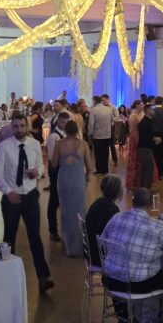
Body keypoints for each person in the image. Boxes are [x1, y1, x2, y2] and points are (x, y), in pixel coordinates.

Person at [99, 188, 163, 323]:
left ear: (132, 201)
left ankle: (123, 320)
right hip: (138, 284)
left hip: (110, 280)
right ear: (151, 205)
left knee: (119, 267)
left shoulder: (116, 217)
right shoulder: (156, 226)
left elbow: (103, 240)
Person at [0, 115, 53, 291]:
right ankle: (6, 276)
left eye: (22, 126)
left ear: (27, 127)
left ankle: (43, 277)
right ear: (11, 127)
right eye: (15, 126)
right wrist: (8, 191)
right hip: (12, 196)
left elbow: (41, 165)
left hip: (30, 196)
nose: (19, 129)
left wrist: (38, 171)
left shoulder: (34, 145)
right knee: (9, 237)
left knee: (35, 237)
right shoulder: (5, 146)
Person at [52, 120, 92, 257]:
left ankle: (67, 242)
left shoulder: (59, 144)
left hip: (64, 180)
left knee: (65, 211)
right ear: (77, 131)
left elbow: (54, 163)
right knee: (80, 211)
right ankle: (80, 243)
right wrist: (87, 178)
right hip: (78, 180)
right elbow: (90, 167)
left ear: (65, 130)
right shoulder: (84, 144)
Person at [85, 175, 123, 263]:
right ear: (117, 191)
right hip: (99, 255)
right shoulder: (111, 210)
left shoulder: (98, 203)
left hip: (90, 249)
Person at [45, 110, 70, 240]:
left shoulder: (66, 134)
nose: (64, 124)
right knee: (54, 201)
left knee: (64, 202)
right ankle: (52, 230)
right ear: (57, 121)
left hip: (65, 172)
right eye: (62, 122)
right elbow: (51, 157)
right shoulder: (54, 136)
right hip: (56, 171)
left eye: (66, 122)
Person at [88, 94, 116, 176]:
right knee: (106, 153)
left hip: (97, 135)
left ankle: (99, 170)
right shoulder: (108, 110)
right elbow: (112, 121)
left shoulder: (93, 110)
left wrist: (90, 133)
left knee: (98, 153)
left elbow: (91, 123)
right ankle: (105, 170)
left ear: (95, 101)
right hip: (107, 134)